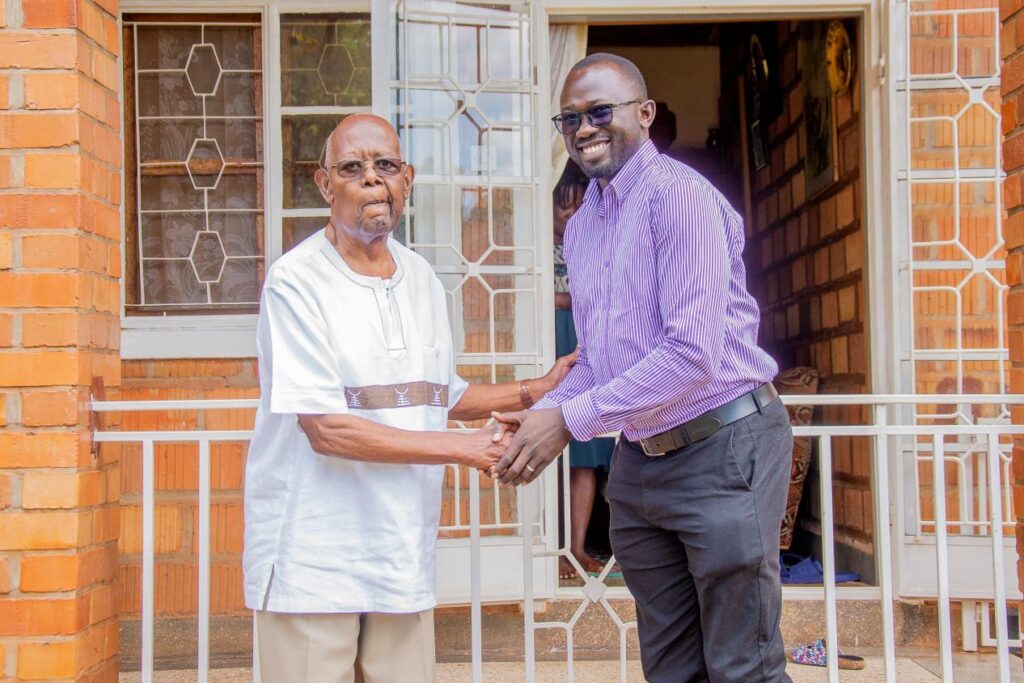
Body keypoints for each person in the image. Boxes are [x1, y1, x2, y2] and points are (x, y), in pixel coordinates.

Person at [492, 54, 793, 682]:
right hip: (641, 462)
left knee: (742, 666)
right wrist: (539, 419)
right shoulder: (583, 228)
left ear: (645, 113)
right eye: (569, 119)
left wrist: (568, 422)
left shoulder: (680, 199)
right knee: (670, 667)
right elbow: (601, 361)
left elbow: (692, 355)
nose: (584, 128)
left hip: (724, 447)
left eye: (600, 111)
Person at [243, 114, 574, 683]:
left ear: (408, 179)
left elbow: (436, 394)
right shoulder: (296, 281)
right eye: (353, 167)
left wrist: (535, 389)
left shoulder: (421, 278)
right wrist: (465, 449)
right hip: (312, 563)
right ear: (325, 185)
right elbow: (326, 428)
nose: (372, 179)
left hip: (400, 557)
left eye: (386, 166)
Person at [553, 160, 615, 580]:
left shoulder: (595, 246)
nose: (571, 216)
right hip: (550, 352)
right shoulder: (534, 248)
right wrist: (567, 299)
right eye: (564, 208)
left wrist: (561, 298)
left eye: (579, 208)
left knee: (586, 455)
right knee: (549, 452)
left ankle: (576, 548)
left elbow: (604, 294)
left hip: (586, 352)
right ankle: (552, 548)